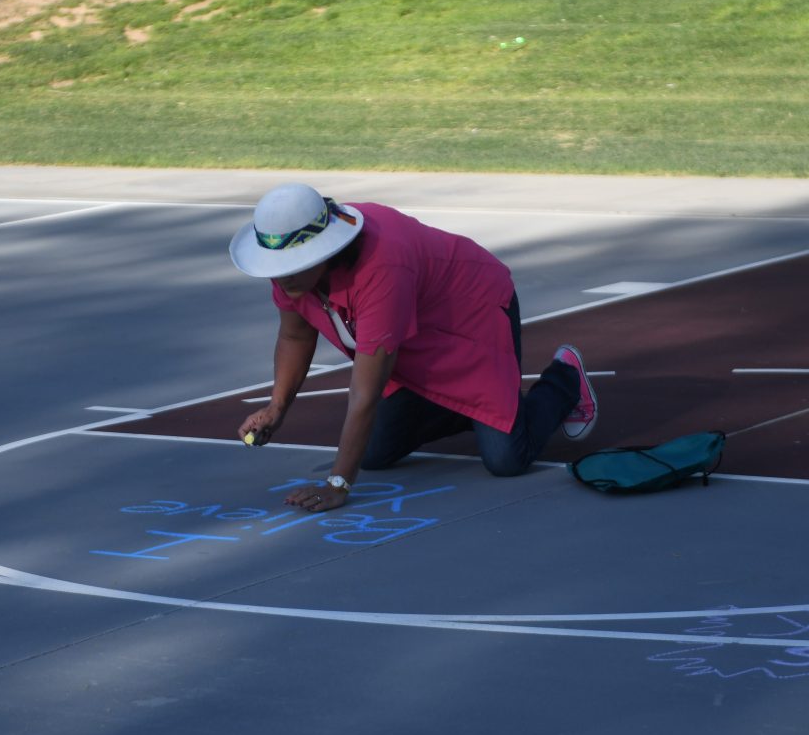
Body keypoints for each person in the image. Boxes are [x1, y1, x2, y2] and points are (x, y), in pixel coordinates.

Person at [230, 184, 599, 514]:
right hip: (413, 329)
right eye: (277, 266)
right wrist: (277, 406)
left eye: (291, 265)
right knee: (372, 454)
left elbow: (365, 393)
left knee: (507, 459)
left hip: (469, 314)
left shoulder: (381, 266)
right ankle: (477, 410)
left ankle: (565, 379)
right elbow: (295, 335)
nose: (282, 276)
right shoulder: (292, 274)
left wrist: (337, 484)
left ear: (322, 252)